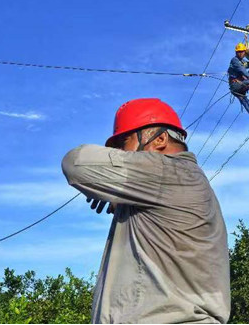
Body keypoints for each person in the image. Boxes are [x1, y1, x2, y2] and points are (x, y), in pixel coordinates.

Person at [61, 98, 231, 324]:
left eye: (125, 142)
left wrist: (107, 176)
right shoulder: (186, 180)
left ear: (160, 139)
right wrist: (119, 193)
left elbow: (76, 162)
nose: (122, 153)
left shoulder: (167, 171)